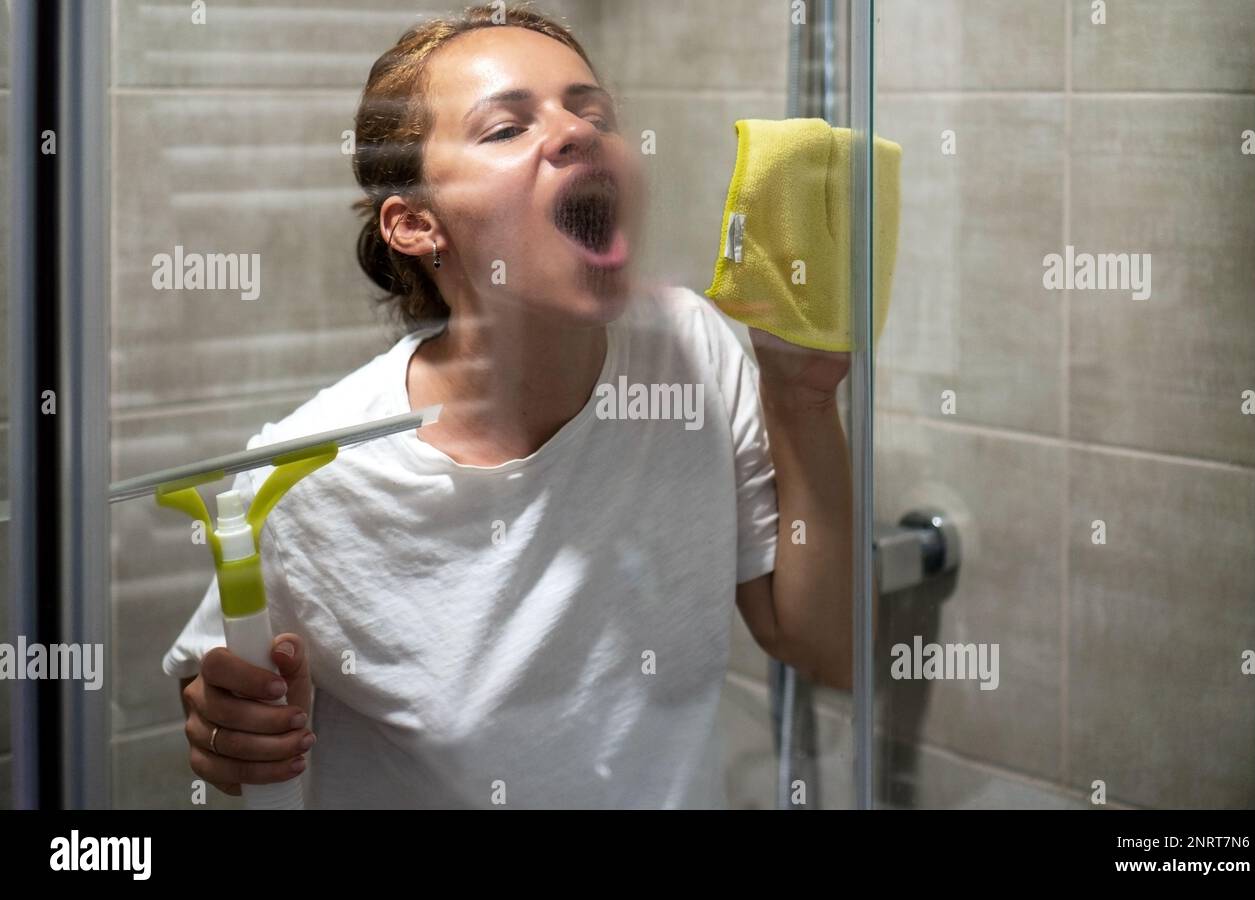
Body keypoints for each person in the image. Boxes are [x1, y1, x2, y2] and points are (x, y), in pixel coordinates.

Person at [163, 3, 852, 809]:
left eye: (592, 111)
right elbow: (217, 698)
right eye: (505, 128)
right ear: (417, 225)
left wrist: (802, 397)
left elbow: (825, 645)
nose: (577, 131)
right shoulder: (309, 470)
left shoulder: (688, 349)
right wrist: (224, 725)